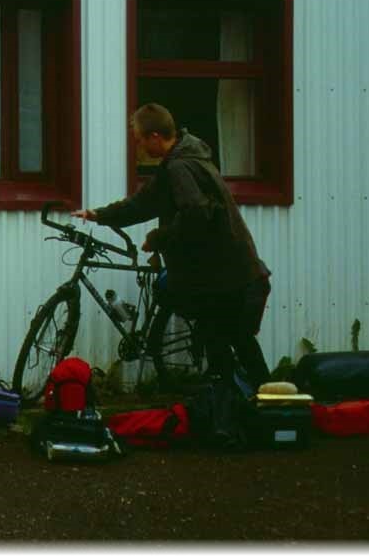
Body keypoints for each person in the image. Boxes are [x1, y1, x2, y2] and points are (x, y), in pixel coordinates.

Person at [72, 103, 272, 386]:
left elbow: (196, 213)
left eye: (140, 139)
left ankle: (237, 419)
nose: (138, 146)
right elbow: (143, 204)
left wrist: (159, 238)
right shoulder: (184, 160)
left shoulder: (179, 167)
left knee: (223, 350)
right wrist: (99, 215)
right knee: (237, 345)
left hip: (226, 277)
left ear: (155, 136)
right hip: (232, 273)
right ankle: (268, 413)